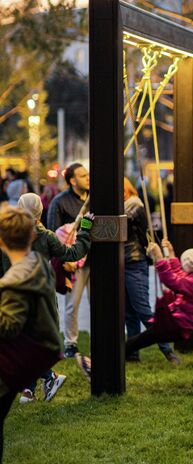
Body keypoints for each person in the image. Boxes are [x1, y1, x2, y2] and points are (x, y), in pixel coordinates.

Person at [76, 239, 193, 381]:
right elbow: (180, 275)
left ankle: (99, 366)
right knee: (139, 341)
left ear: (190, 265)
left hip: (176, 324)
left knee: (137, 341)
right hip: (178, 324)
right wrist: (171, 255)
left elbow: (172, 280)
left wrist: (159, 258)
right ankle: (101, 364)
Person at [2, 194, 92, 403]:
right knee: (31, 342)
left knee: (22, 343)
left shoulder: (8, 235)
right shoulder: (46, 236)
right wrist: (85, 229)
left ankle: (39, 383)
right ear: (41, 211)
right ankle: (40, 382)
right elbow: (72, 254)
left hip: (13, 297)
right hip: (40, 297)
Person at [0, 207, 63, 462]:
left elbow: (9, 326)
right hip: (40, 351)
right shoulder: (38, 263)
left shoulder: (15, 281)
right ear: (32, 237)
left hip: (22, 356)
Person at [123, 177, 179, 365]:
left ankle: (168, 351)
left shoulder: (133, 204)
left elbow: (123, 223)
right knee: (129, 312)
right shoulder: (129, 204)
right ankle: (132, 354)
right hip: (127, 262)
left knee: (143, 310)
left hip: (134, 262)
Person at [47, 162, 89, 357]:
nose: (88, 178)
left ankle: (101, 339)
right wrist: (64, 260)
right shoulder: (60, 202)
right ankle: (70, 343)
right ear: (72, 180)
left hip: (95, 259)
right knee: (73, 304)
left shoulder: (94, 199)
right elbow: (53, 234)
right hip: (73, 261)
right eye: (83, 175)